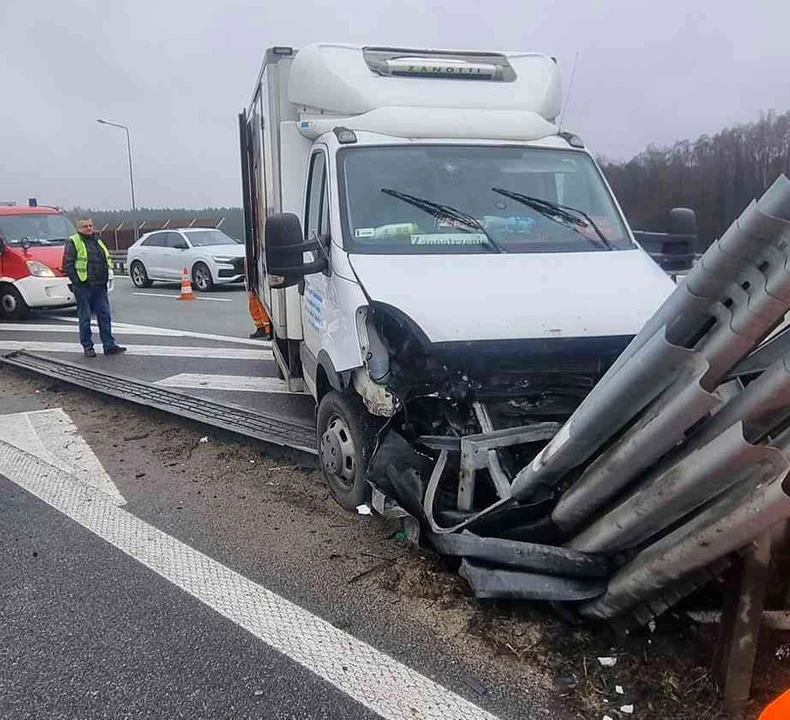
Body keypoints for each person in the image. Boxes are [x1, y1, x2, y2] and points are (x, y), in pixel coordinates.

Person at [63, 217, 126, 358]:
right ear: (79, 228)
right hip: (84, 286)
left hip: (99, 285)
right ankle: (88, 347)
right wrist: (78, 282)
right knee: (85, 318)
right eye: (85, 226)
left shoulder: (97, 240)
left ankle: (109, 345)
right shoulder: (74, 242)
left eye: (90, 225)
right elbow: (67, 265)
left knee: (105, 316)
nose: (89, 228)